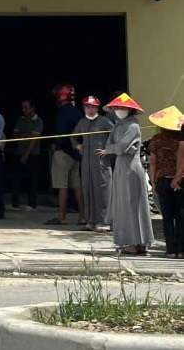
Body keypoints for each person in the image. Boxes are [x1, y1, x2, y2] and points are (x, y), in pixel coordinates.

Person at [97, 94, 154, 255]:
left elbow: (120, 148)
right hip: (120, 167)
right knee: (122, 205)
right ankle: (130, 241)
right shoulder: (115, 127)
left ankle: (138, 241)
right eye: (117, 108)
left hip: (132, 168)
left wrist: (113, 149)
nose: (120, 110)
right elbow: (111, 145)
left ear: (130, 110)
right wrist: (114, 148)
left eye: (123, 108)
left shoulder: (133, 126)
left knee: (134, 205)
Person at [45, 84, 86, 226]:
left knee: (62, 185)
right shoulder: (77, 112)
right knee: (77, 186)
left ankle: (61, 217)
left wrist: (56, 145)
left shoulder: (62, 112)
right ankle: (83, 216)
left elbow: (61, 134)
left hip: (63, 154)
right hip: (76, 154)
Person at [147, 106, 184, 258]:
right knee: (181, 215)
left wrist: (153, 181)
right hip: (180, 179)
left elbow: (153, 162)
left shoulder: (156, 140)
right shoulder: (180, 140)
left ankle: (171, 250)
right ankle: (181, 250)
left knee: (167, 216)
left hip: (162, 179)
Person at [73, 96, 113, 232]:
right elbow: (73, 136)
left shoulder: (104, 121)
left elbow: (115, 135)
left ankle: (105, 221)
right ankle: (91, 220)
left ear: (97, 108)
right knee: (87, 188)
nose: (90, 110)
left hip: (100, 159)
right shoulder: (82, 122)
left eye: (93, 107)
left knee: (102, 190)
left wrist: (108, 149)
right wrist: (78, 145)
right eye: (88, 107)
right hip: (86, 159)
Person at [10, 98, 43, 212]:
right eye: (23, 107)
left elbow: (34, 140)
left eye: (26, 107)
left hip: (33, 153)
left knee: (32, 179)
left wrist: (27, 154)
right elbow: (15, 135)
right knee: (15, 178)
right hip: (18, 152)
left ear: (32, 108)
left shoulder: (38, 121)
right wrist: (28, 135)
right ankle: (15, 203)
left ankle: (32, 204)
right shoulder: (21, 119)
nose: (23, 110)